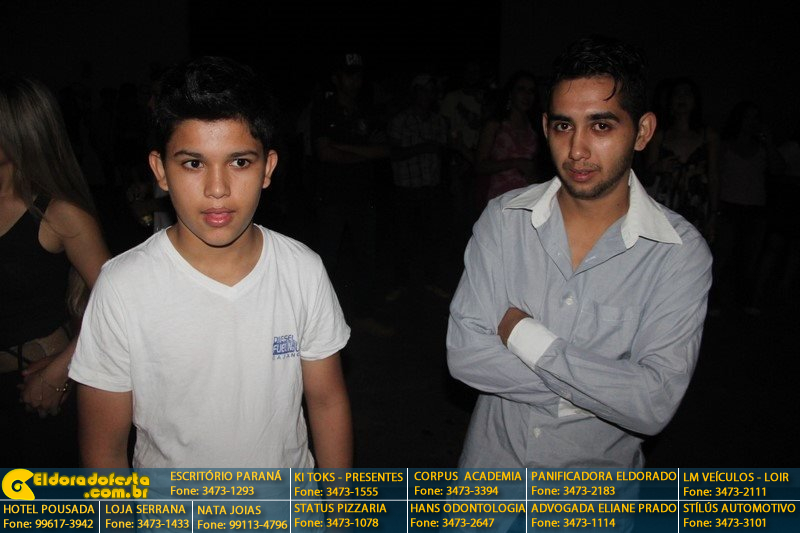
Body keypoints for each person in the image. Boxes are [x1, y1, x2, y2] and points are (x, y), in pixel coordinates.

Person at [69, 56, 353, 468]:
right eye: (193, 163)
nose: (217, 188)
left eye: (240, 162)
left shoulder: (302, 272)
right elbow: (103, 451)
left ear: (268, 168)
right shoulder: (123, 287)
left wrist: (340, 502)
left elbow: (327, 402)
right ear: (160, 171)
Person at [447, 35, 713, 469]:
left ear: (643, 132)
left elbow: (653, 404)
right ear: (545, 127)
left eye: (601, 126)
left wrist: (524, 336)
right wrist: (602, 396)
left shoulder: (677, 255)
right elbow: (465, 355)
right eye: (563, 126)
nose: (576, 150)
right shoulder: (505, 220)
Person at [0, 74, 110, 465]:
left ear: (18, 133)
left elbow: (118, 302)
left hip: (34, 387)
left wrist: (62, 368)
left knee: (44, 499)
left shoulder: (60, 213)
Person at [310, 52, 393, 336]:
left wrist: (344, 149)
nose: (354, 81)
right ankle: (319, 320)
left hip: (363, 195)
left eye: (358, 75)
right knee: (326, 259)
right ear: (337, 78)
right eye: (348, 75)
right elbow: (325, 153)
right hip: (331, 196)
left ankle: (363, 314)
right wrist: (363, 153)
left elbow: (385, 150)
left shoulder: (367, 110)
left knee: (367, 257)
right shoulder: (324, 108)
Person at [385, 74, 450, 301]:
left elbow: (443, 151)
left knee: (431, 238)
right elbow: (392, 153)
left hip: (431, 188)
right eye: (422, 90)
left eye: (430, 91)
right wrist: (422, 147)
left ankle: (431, 282)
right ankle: (400, 285)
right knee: (404, 239)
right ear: (414, 92)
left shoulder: (438, 121)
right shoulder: (400, 121)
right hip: (406, 189)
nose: (426, 95)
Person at [644, 77, 719, 238]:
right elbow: (646, 176)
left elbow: (714, 176)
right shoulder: (659, 136)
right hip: (665, 204)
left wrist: (714, 214)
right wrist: (658, 167)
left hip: (696, 204)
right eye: (677, 94)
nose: (682, 98)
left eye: (687, 93)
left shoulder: (708, 136)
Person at [474, 70, 545, 206]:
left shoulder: (535, 126)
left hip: (528, 197)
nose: (527, 95)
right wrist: (515, 163)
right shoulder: (496, 125)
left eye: (531, 91)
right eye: (521, 89)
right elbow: (480, 166)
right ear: (511, 93)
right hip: (501, 198)